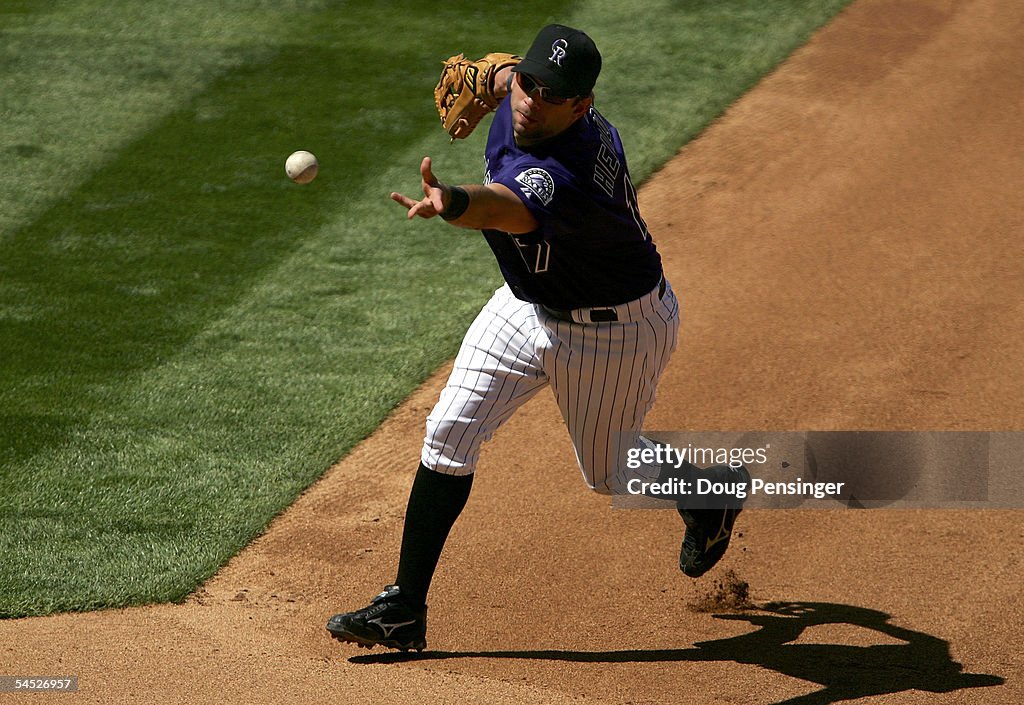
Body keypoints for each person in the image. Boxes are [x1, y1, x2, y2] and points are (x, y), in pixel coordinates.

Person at [326, 24, 748, 652]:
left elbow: (503, 207)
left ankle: (706, 496)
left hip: (616, 331)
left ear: (582, 106)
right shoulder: (522, 91)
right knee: (447, 434)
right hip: (530, 306)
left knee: (609, 473)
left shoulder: (566, 172)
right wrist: (495, 75)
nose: (530, 99)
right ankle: (404, 608)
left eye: (551, 95)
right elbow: (498, 76)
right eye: (527, 82)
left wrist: (450, 202)